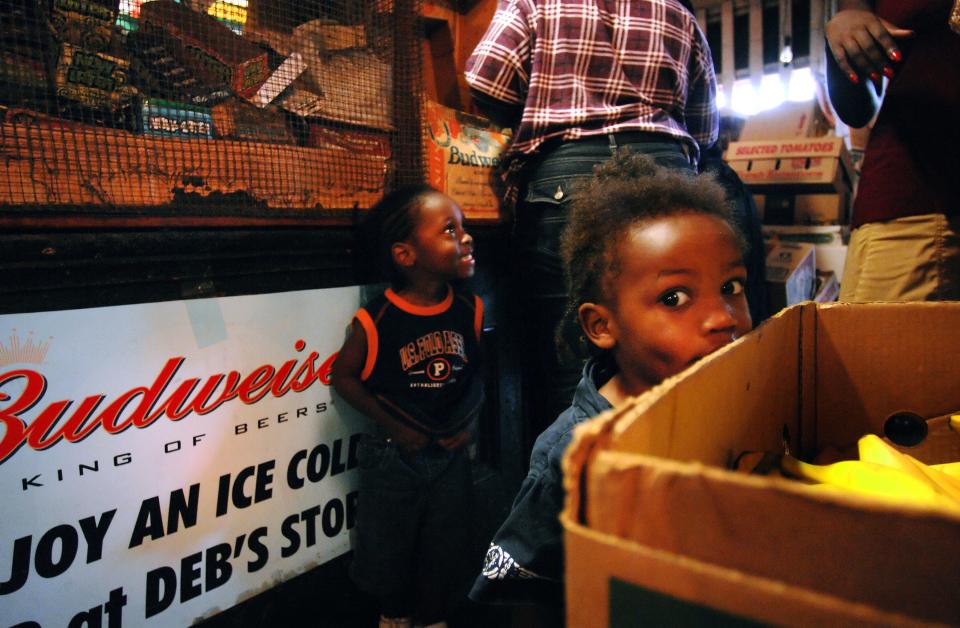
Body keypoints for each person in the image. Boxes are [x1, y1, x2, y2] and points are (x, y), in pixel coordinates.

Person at [469, 152, 753, 620]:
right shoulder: (573, 456)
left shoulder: (733, 398)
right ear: (601, 325)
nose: (723, 318)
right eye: (674, 297)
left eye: (732, 287)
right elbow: (515, 590)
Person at [464, 0, 720, 449]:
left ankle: (579, 501)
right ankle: (671, 489)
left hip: (568, 177)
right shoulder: (677, 12)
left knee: (568, 355)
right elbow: (703, 129)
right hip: (666, 175)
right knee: (675, 349)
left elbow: (487, 79)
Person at [331, 185, 485, 628]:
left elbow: (476, 376)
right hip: (393, 456)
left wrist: (469, 423)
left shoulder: (469, 309)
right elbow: (343, 377)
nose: (466, 238)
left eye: (465, 227)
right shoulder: (376, 318)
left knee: (447, 547)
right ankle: (393, 618)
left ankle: (433, 619)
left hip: (450, 457)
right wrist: (393, 427)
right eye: (450, 230)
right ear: (405, 254)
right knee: (387, 551)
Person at [824, 0, 960, 302]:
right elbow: (857, 108)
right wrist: (844, 37)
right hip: (917, 197)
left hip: (924, 208)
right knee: (873, 342)